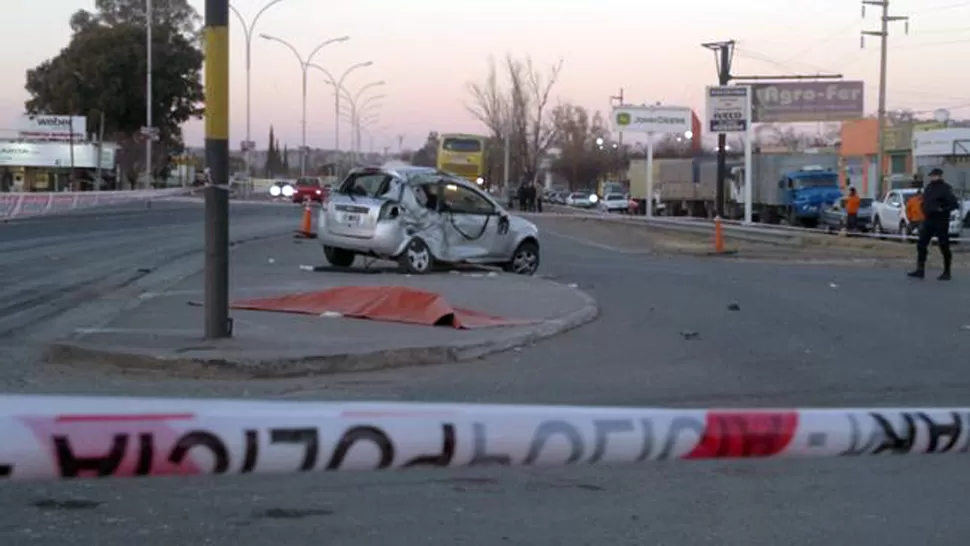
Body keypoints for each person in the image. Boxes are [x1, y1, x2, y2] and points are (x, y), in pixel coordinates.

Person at [908, 168, 959, 280]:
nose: (933, 177)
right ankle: (920, 269)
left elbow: (954, 204)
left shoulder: (946, 188)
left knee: (943, 245)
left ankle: (947, 271)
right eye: (932, 176)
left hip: (941, 220)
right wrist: (923, 208)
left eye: (935, 175)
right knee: (921, 243)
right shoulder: (929, 187)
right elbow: (925, 201)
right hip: (928, 219)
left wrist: (942, 209)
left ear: (940, 176)